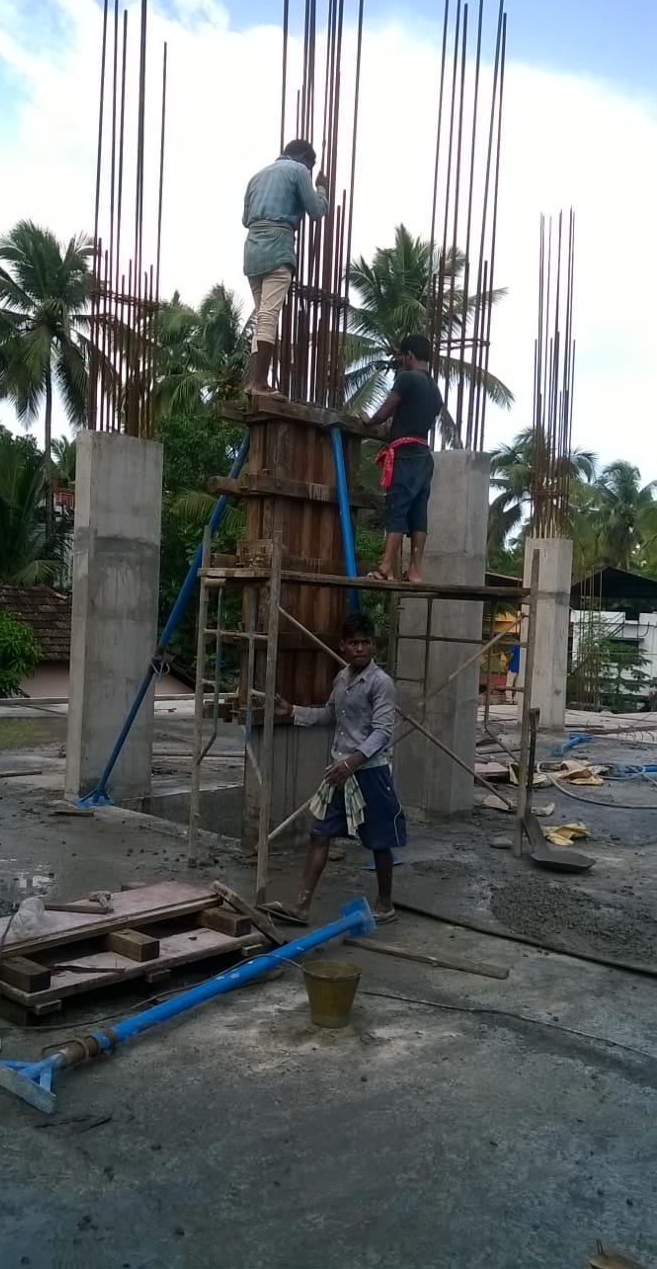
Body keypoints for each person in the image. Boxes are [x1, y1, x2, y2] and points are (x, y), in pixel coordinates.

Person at [266, 611, 407, 926]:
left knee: (379, 840)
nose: (360, 648)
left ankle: (385, 903)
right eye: (354, 643)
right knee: (320, 834)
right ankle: (301, 906)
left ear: (373, 645)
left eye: (365, 642)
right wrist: (293, 712)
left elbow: (383, 732)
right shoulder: (342, 679)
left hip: (369, 772)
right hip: (339, 773)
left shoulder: (381, 683)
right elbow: (330, 714)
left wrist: (352, 762)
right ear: (343, 645)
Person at [242, 139, 329, 397]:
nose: (309, 171)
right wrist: (321, 189)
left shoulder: (257, 177)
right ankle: (259, 383)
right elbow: (316, 211)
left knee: (262, 316)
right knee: (269, 315)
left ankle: (255, 382)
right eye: (310, 165)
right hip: (278, 247)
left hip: (252, 251)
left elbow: (245, 220)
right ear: (303, 157)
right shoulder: (298, 170)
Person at [360, 333, 443, 583]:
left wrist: (370, 421)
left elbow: (385, 411)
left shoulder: (407, 378)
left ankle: (385, 568)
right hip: (424, 456)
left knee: (397, 508)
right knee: (418, 514)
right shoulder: (435, 390)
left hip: (405, 455)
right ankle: (415, 571)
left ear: (409, 355)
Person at [505, 636, 520, 704]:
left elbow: (511, 655)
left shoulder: (514, 646)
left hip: (513, 667)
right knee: (518, 685)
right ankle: (516, 700)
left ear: (514, 639)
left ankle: (509, 699)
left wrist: (507, 664)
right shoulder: (522, 646)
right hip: (520, 668)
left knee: (509, 683)